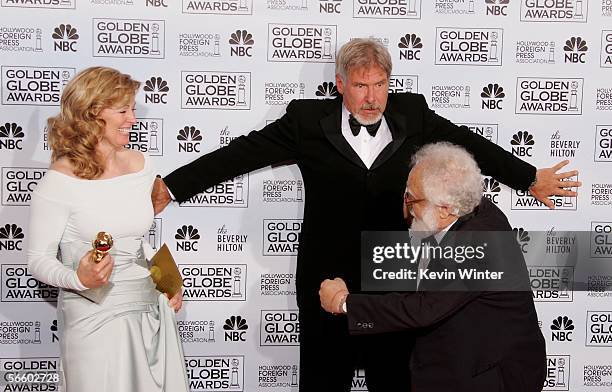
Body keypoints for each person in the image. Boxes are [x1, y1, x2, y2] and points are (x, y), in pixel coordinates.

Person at [152, 39, 574, 391]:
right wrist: (172, 187)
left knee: (394, 379)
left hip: (397, 272)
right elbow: (240, 154)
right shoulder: (306, 122)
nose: (372, 97)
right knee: (323, 380)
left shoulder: (414, 113)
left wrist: (528, 177)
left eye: (380, 84)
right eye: (360, 86)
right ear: (340, 84)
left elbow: (468, 145)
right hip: (326, 272)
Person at [319, 142, 547, 392]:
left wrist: (343, 303)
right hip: (459, 359)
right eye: (406, 193)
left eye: (412, 198)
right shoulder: (466, 207)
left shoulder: (478, 243)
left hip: (490, 377)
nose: (406, 206)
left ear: (444, 210)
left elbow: (424, 308)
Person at [27, 67, 189, 392]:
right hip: (92, 317)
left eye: (133, 109)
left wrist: (168, 282)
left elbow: (137, 242)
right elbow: (37, 260)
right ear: (92, 114)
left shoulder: (141, 166)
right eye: (123, 110)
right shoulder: (59, 181)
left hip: (147, 310)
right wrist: (78, 279)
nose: (133, 119)